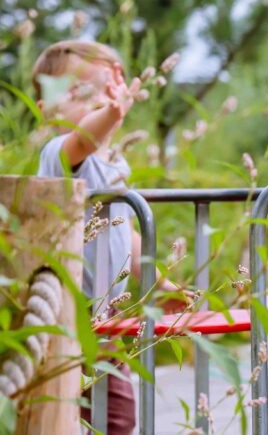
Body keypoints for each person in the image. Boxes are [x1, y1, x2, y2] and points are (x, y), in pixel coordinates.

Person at [33, 40, 187, 435]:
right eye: (74, 94)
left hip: (107, 314)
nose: (95, 106)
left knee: (114, 415)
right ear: (44, 110)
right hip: (71, 313)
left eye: (100, 94)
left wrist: (157, 279)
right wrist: (115, 110)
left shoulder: (113, 163)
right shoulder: (59, 153)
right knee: (103, 417)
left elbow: (125, 230)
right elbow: (83, 139)